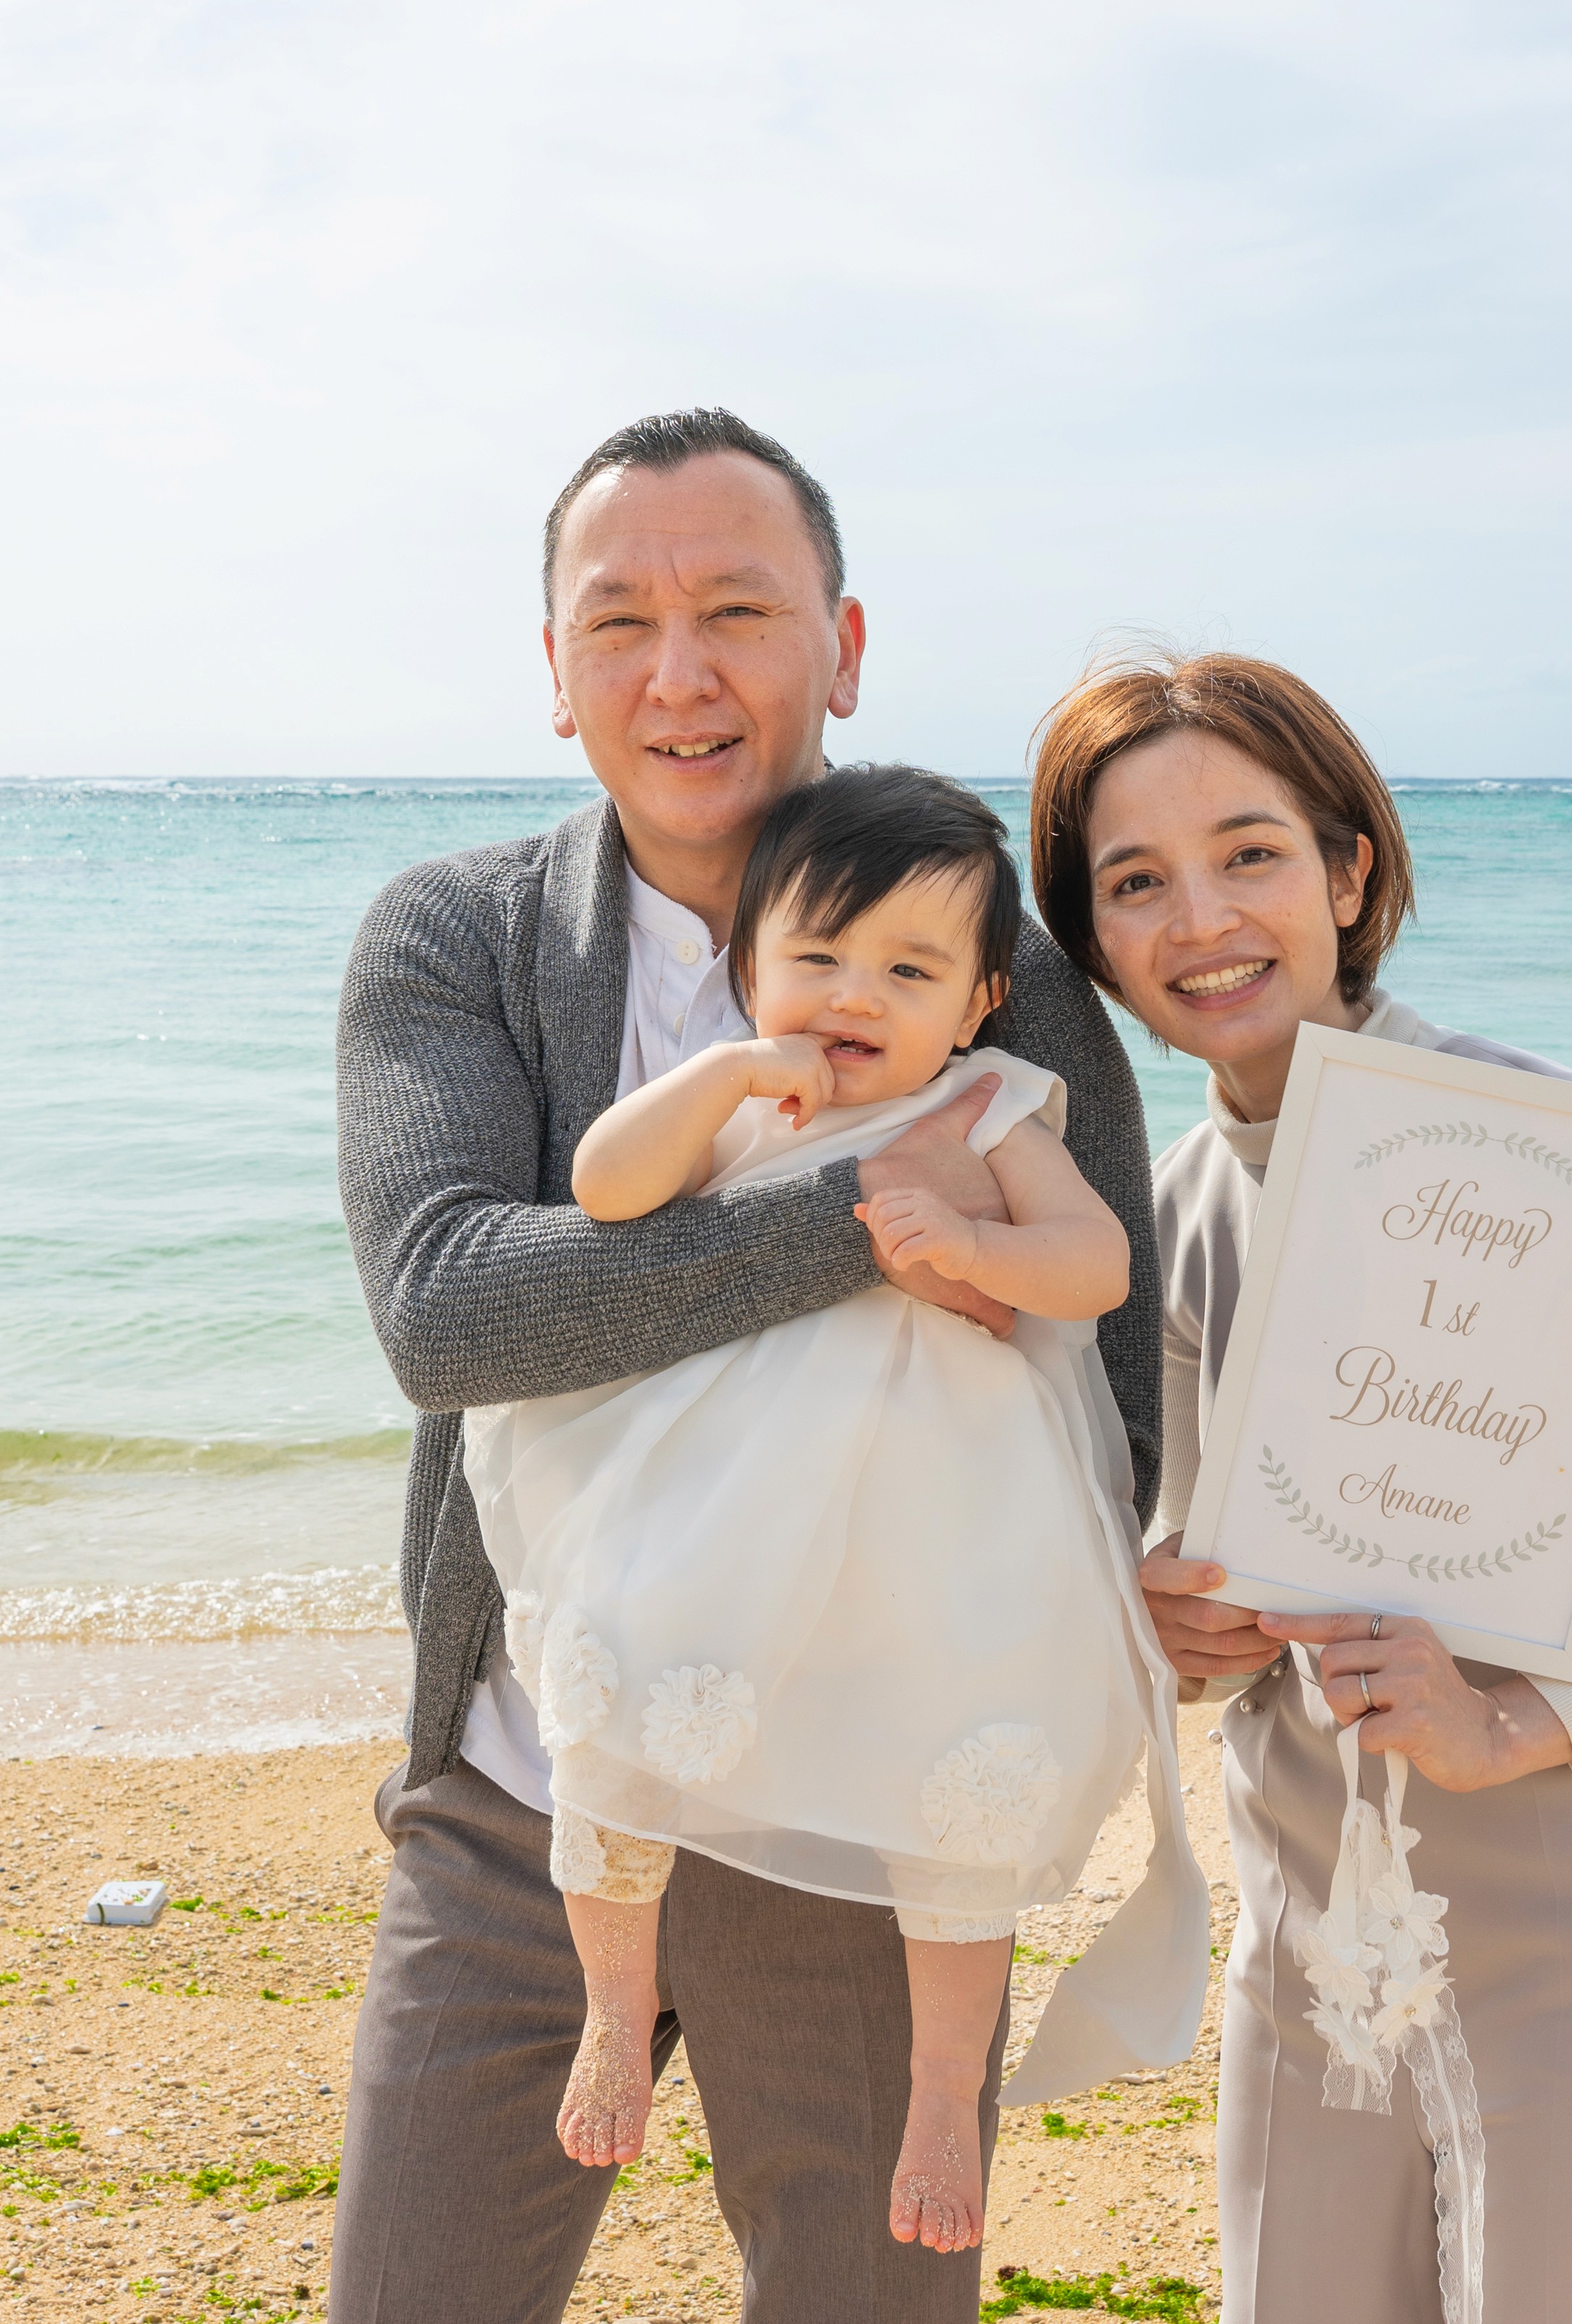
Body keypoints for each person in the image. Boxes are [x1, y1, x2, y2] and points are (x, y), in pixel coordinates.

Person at [331, 411, 1163, 2324]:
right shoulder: (458, 940)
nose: (679, 673)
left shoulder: (1001, 969)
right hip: (536, 1785)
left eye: (738, 610)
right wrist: (869, 1215)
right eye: (618, 621)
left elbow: (1110, 1386)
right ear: (557, 672)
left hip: (866, 1815)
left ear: (843, 649)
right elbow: (449, 1311)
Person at [1025, 650, 1572, 2324]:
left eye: (1249, 853)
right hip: (1319, 1938)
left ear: (1347, 874)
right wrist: (1172, 1628)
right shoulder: (1154, 1219)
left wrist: (1512, 1724)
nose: (1202, 920)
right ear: (1091, 942)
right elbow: (1206, 1569)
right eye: (1136, 882)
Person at [469, 762, 1194, 2254]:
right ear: (748, 967)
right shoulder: (736, 1091)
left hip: (945, 1519)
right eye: (816, 957)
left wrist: (976, 1252)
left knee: (955, 1778)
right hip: (718, 1497)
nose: (855, 995)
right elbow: (605, 1193)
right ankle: (614, 2002)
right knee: (614, 1708)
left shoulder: (992, 1108)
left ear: (980, 1000)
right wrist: (726, 1078)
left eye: (909, 971)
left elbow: (1099, 1266)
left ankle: (941, 2093)